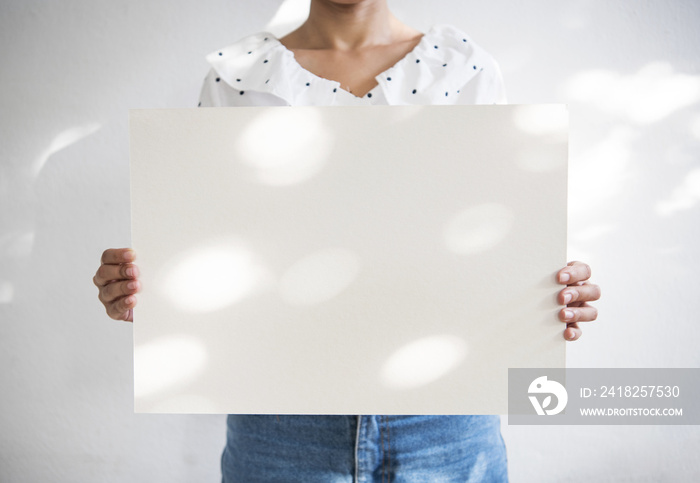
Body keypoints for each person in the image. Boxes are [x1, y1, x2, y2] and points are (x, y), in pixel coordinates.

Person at [94, 1, 601, 481]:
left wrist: (547, 290)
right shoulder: (237, 76)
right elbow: (209, 243)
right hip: (279, 425)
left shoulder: (464, 68)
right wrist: (144, 287)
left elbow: (496, 231)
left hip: (446, 420)